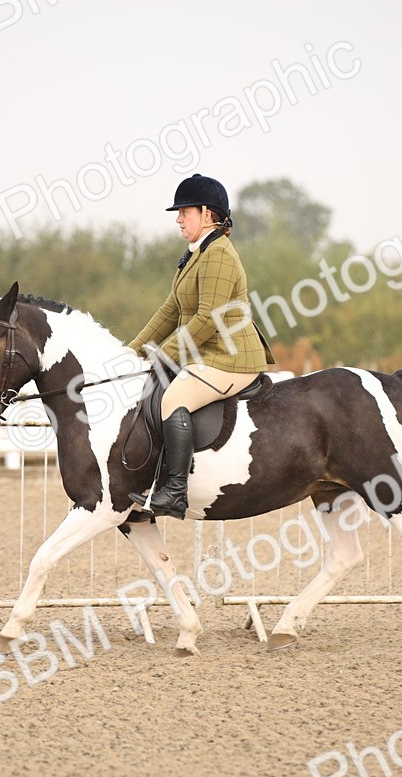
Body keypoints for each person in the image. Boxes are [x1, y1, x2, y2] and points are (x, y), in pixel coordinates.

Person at [127, 173, 275, 519]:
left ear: (207, 214)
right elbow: (171, 309)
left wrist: (166, 356)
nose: (178, 219)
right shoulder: (196, 253)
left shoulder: (219, 255)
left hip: (231, 358)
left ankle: (175, 493)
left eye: (184, 212)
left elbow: (209, 318)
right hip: (207, 354)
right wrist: (132, 350)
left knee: (173, 398)